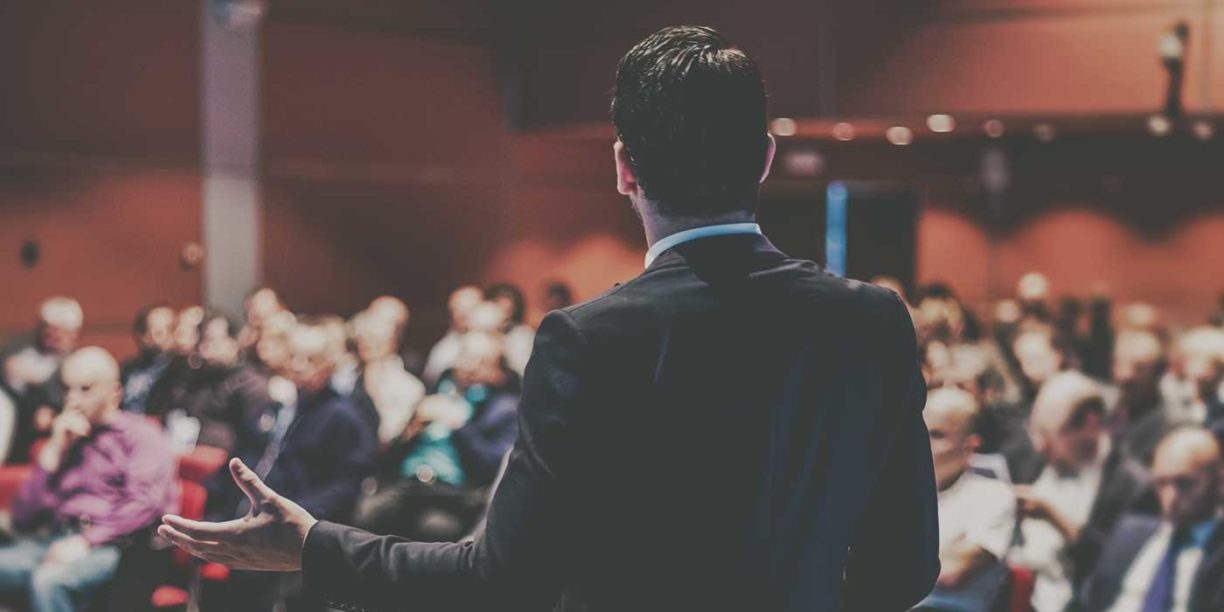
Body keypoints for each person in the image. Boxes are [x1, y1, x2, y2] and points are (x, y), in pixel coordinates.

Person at [160, 26, 939, 612]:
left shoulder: (589, 340)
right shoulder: (871, 320)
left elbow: (505, 578)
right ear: (765, 158)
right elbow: (905, 570)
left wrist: (315, 546)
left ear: (623, 166)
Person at [0, 347, 178, 612]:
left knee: (48, 582)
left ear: (114, 392)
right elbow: (24, 517)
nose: (72, 400)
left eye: (84, 390)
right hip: (56, 538)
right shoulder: (70, 438)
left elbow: (144, 503)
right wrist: (55, 450)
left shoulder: (141, 435)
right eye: (67, 389)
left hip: (115, 548)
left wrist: (86, 541)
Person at [1007, 371, 1157, 612]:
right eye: (1036, 431)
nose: (1040, 446)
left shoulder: (1132, 485)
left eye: (1050, 433)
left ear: (1090, 423)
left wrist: (1054, 517)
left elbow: (1114, 568)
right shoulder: (1032, 461)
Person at [354, 330, 517, 541]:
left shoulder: (504, 409)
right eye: (466, 356)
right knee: (367, 513)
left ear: (500, 372)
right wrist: (411, 430)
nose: (470, 366)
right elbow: (388, 458)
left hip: (454, 494)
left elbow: (491, 468)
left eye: (482, 362)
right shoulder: (438, 389)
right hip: (410, 483)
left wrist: (459, 427)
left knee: (433, 528)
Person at [1079, 427, 1224, 611]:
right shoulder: (1129, 533)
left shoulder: (1218, 552)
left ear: (1220, 482)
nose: (1170, 497)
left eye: (1184, 483)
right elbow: (1088, 601)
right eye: (1161, 484)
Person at [918, 387, 1016, 612]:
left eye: (937, 434)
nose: (922, 443)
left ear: (969, 446)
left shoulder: (993, 496)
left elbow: (951, 572)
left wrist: (887, 551)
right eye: (918, 431)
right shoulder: (894, 492)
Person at [1, 297, 83, 464]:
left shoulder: (77, 364)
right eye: (47, 328)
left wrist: (54, 417)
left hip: (38, 426)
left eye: (59, 331)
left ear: (74, 333)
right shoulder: (14, 349)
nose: (51, 334)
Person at [422, 286, 483, 388]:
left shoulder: (502, 340)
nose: (465, 315)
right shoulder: (443, 351)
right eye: (459, 311)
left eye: (470, 309)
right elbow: (432, 383)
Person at [120, 303, 176, 414]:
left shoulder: (182, 370)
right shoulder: (127, 368)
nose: (153, 337)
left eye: (168, 329)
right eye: (148, 330)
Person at [486, 283, 535, 378]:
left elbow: (521, 370)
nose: (502, 315)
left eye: (507, 311)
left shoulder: (523, 334)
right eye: (498, 307)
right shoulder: (477, 329)